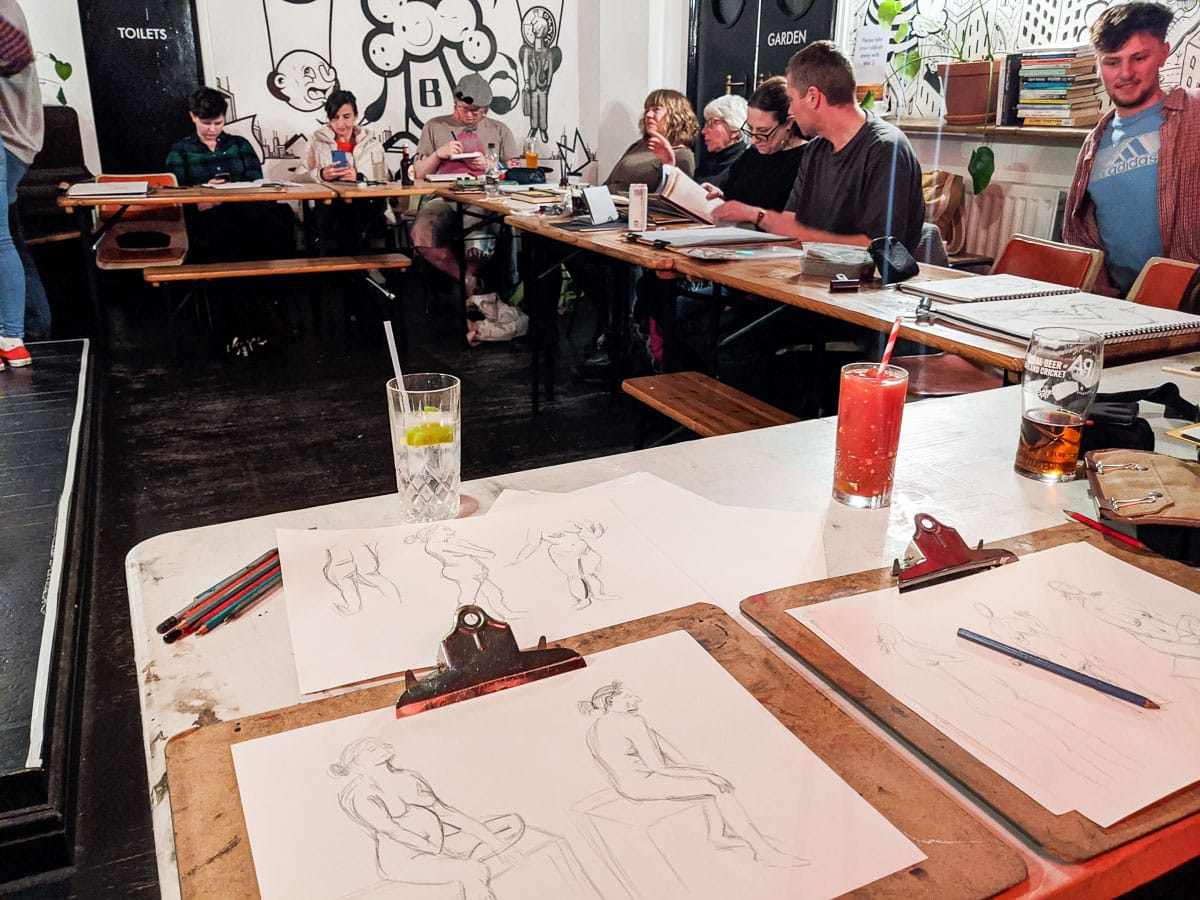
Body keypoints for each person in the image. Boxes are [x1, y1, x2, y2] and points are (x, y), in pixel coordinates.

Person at [636, 77, 807, 370]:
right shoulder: (752, 155)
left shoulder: (804, 160)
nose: (755, 140)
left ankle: (701, 379)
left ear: (788, 124)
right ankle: (683, 379)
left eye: (763, 133)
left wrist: (750, 213)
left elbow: (792, 224)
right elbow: (734, 192)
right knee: (653, 291)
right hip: (731, 255)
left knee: (680, 312)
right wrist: (720, 195)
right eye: (751, 131)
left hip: (766, 267)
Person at [714, 41, 924, 255]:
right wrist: (749, 214)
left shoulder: (885, 149)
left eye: (792, 99)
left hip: (861, 276)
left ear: (813, 97)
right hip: (814, 269)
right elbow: (791, 224)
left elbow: (880, 247)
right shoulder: (816, 150)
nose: (791, 110)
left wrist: (762, 218)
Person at [578, 682, 806, 867]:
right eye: (628, 697)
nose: (636, 699)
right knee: (716, 787)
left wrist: (699, 771)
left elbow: (647, 754)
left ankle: (718, 836)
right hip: (644, 783)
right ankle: (763, 851)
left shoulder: (597, 727)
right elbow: (660, 767)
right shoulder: (633, 722)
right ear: (610, 702)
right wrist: (706, 775)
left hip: (627, 785)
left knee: (705, 779)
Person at [1063, 2, 1200, 297]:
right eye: (1112, 62)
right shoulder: (1093, 144)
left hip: (1187, 302)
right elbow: (1079, 236)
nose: (1125, 73)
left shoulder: (1195, 116)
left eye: (1139, 58)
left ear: (1163, 53)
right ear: (1098, 64)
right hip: (1119, 305)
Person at [570, 89, 699, 377]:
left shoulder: (680, 154)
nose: (649, 114)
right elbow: (610, 182)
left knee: (613, 266)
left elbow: (676, 199)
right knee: (566, 249)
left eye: (657, 109)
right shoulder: (639, 145)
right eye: (647, 109)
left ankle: (619, 336)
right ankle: (609, 323)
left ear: (675, 115)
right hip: (607, 214)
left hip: (636, 225)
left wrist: (667, 164)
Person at [165, 87, 296, 354]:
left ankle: (267, 309)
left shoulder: (239, 144)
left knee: (275, 227)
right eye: (206, 123)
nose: (213, 129)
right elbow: (174, 193)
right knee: (226, 240)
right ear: (193, 117)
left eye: (218, 122)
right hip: (206, 216)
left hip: (243, 211)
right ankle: (247, 321)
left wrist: (231, 191)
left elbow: (257, 183)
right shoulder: (181, 150)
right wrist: (202, 192)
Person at [330, 737, 527, 900]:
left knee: (512, 822)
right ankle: (458, 866)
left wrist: (496, 844)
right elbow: (393, 830)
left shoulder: (409, 778)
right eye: (368, 749)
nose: (377, 747)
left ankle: (454, 861)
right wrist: (433, 849)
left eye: (376, 745)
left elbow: (446, 813)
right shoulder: (360, 794)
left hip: (441, 845)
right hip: (407, 859)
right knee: (475, 870)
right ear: (356, 766)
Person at [412, 73, 520, 297]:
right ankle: (470, 282)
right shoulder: (435, 126)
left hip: (483, 198)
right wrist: (438, 154)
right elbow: (418, 173)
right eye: (464, 109)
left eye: (476, 111)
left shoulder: (500, 130)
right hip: (442, 196)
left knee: (478, 241)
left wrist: (491, 165)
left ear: (486, 109)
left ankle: (472, 296)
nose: (469, 115)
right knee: (422, 233)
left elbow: (515, 174)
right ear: (456, 102)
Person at [0, 0, 48, 367]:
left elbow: (14, 56)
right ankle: (32, 331)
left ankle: (13, 336)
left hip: (7, 138)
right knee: (10, 238)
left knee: (2, 239)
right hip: (19, 139)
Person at [301, 89, 384, 183]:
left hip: (363, 193)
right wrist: (321, 175)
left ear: (355, 116)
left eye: (346, 117)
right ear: (329, 118)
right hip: (328, 193)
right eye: (335, 117)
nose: (340, 124)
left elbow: (385, 181)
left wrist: (358, 178)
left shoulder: (372, 144)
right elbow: (297, 178)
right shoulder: (315, 142)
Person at [694, 93, 748, 190]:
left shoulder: (747, 168)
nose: (703, 131)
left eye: (712, 123)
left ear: (735, 130)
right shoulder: (707, 167)